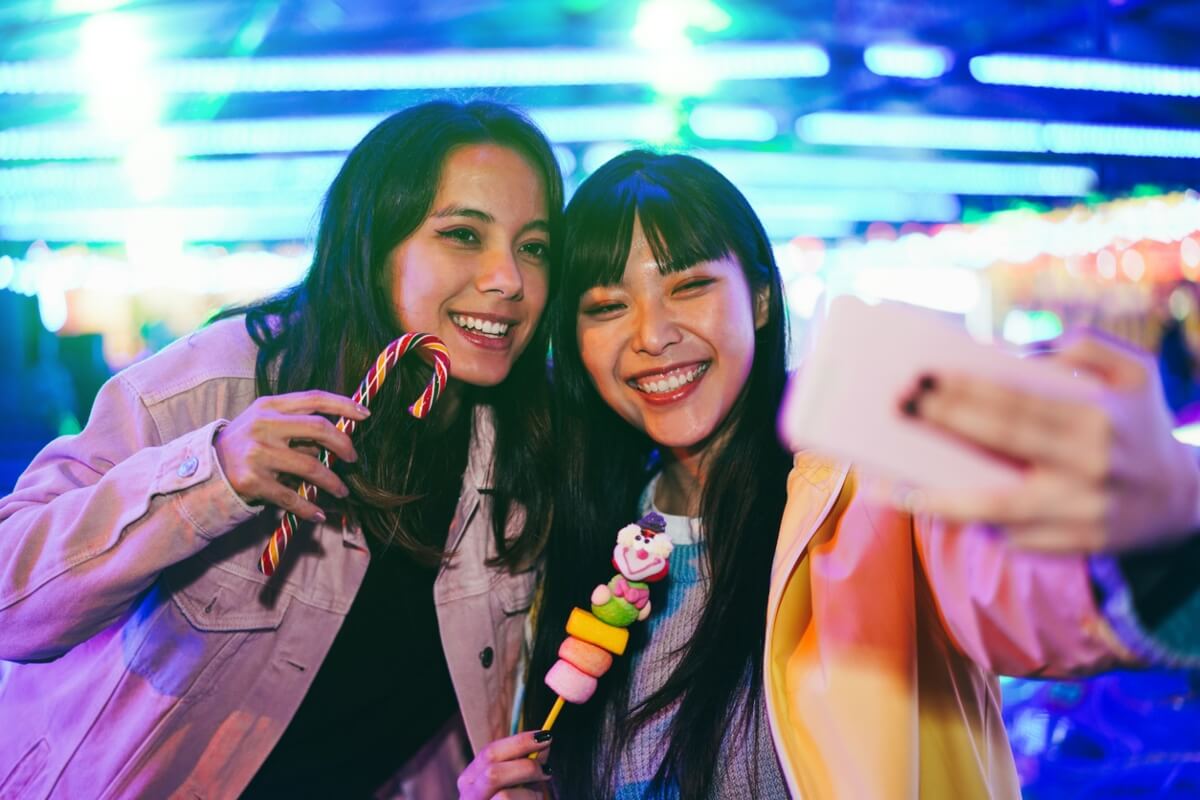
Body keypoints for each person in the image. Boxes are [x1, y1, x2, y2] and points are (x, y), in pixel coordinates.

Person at [456, 150, 1200, 799]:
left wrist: (1153, 534)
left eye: (688, 287)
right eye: (608, 306)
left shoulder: (869, 483)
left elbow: (1015, 590)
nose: (653, 336)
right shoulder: (583, 534)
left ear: (760, 295)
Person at [0, 99, 563, 799]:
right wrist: (209, 477)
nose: (508, 278)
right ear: (374, 243)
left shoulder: (523, 455)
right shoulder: (224, 379)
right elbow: (12, 603)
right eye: (463, 235)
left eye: (533, 246)